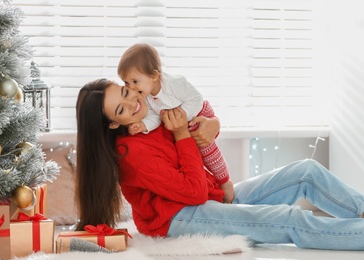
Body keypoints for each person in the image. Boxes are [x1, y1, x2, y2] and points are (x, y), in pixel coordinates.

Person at [76, 78, 364, 250]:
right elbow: (193, 193)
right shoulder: (132, 153)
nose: (134, 102)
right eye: (121, 108)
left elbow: (199, 125)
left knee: (306, 172)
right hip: (178, 217)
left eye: (127, 92)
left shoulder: (151, 114)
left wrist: (212, 124)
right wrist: (180, 135)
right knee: (287, 219)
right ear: (113, 123)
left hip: (208, 194)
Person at [116, 43, 234, 202]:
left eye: (134, 81)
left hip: (198, 112)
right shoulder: (147, 97)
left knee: (208, 152)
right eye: (126, 83)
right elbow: (155, 117)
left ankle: (225, 182)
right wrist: (143, 126)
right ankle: (218, 187)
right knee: (199, 154)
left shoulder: (174, 83)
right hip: (183, 124)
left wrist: (184, 119)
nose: (131, 88)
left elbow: (196, 100)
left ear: (154, 76)